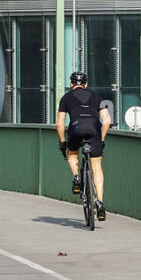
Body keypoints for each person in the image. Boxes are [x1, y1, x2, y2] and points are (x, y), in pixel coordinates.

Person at [56, 71, 111, 221]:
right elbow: (106, 120)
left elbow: (60, 123)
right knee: (97, 167)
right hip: (94, 129)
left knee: (72, 152)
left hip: (76, 128)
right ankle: (99, 202)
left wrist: (62, 141)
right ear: (86, 84)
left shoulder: (66, 98)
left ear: (71, 84)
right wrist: (101, 139)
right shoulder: (96, 96)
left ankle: (76, 177)